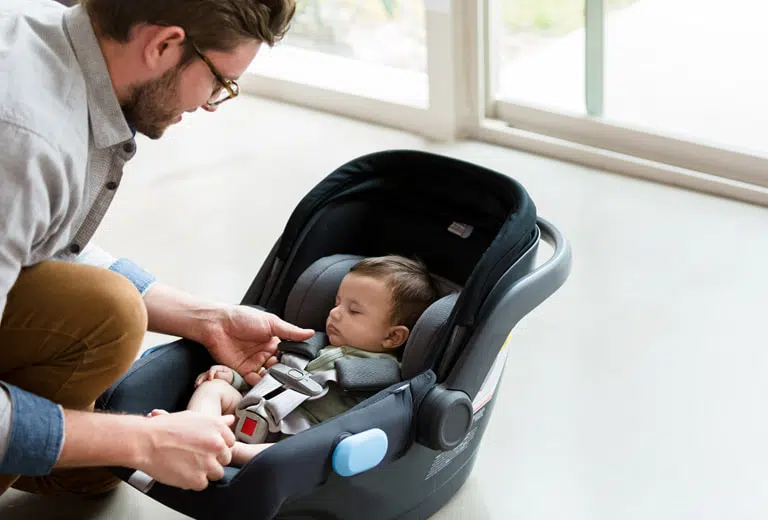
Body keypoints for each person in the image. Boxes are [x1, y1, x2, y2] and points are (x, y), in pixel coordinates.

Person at [0, 0, 313, 497]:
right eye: (219, 82)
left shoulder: (38, 32)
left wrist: (206, 318)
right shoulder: (24, 144)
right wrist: (142, 441)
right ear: (164, 45)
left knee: (108, 324)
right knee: (114, 347)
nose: (212, 103)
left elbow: (43, 240)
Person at [158, 256, 439, 466]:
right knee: (213, 389)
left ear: (393, 338)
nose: (335, 313)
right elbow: (264, 376)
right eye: (337, 302)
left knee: (298, 451)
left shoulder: (380, 377)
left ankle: (229, 453)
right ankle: (197, 430)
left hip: (300, 437)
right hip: (255, 409)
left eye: (354, 311)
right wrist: (233, 378)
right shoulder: (310, 346)